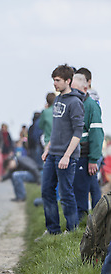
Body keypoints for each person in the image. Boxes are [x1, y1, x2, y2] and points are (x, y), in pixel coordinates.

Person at [40, 64, 84, 237]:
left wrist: (67, 155)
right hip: (52, 154)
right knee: (46, 191)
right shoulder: (57, 100)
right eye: (54, 80)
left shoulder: (75, 102)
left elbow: (77, 133)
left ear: (68, 81)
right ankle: (53, 230)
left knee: (66, 194)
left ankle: (71, 231)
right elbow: (57, 130)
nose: (55, 84)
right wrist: (48, 148)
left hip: (67, 156)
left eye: (57, 81)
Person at [71, 73, 104, 221]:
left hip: (85, 155)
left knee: (82, 190)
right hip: (78, 154)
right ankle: (93, 221)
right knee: (86, 188)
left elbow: (97, 134)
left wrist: (93, 159)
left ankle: (83, 223)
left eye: (75, 88)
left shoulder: (90, 106)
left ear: (85, 88)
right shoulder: (77, 103)